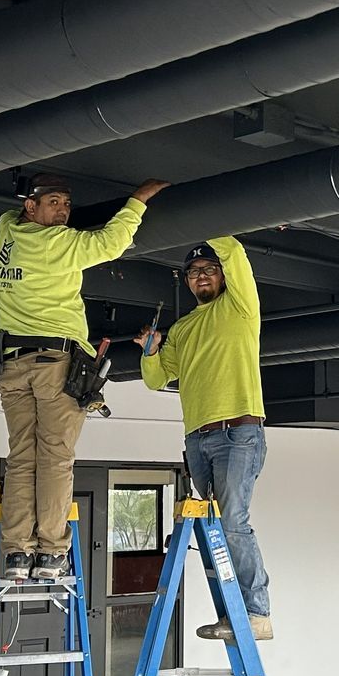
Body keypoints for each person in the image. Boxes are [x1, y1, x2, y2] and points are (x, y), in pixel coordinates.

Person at [0, 173, 167, 583]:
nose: (64, 211)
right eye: (54, 203)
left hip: (12, 364)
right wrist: (138, 199)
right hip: (54, 363)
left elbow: (8, 213)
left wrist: (37, 205)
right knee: (54, 456)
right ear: (31, 207)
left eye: (66, 204)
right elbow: (110, 242)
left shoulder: (7, 230)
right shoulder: (60, 243)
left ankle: (18, 553)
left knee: (22, 458)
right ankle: (52, 552)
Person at [137, 236, 272, 641]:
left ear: (223, 276)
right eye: (194, 273)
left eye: (210, 270)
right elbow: (156, 379)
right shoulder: (182, 328)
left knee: (232, 521)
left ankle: (258, 614)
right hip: (198, 438)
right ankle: (232, 614)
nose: (202, 277)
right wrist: (150, 351)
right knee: (215, 527)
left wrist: (198, 219)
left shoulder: (240, 306)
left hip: (238, 432)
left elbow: (235, 251)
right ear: (187, 282)